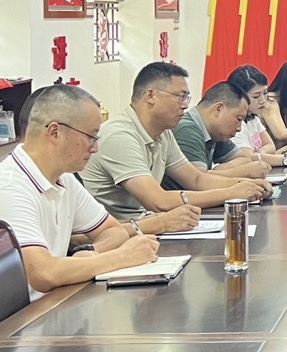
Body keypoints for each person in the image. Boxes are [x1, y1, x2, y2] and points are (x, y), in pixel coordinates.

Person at [0, 85, 181, 301]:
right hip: (24, 317)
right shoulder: (9, 186)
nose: (95, 148)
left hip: (58, 301)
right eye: (91, 136)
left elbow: (114, 231)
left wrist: (89, 253)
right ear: (55, 132)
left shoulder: (64, 177)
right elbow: (42, 274)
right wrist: (122, 256)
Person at [81, 62, 272, 219]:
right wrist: (231, 193)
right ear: (151, 95)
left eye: (186, 98)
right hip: (119, 233)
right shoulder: (119, 136)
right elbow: (158, 201)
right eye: (180, 97)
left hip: (150, 223)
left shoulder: (163, 133)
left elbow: (196, 179)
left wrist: (245, 185)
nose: (185, 106)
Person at [162, 81, 273, 188]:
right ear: (218, 109)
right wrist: (245, 171)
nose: (239, 128)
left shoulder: (215, 132)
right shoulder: (186, 130)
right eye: (238, 119)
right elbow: (199, 181)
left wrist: (216, 171)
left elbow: (244, 159)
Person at [227, 65, 287, 167]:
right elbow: (248, 158)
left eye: (265, 93)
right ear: (238, 96)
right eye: (256, 96)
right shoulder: (235, 124)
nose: (263, 100)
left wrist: (258, 154)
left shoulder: (253, 118)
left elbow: (271, 147)